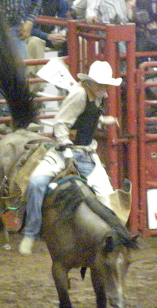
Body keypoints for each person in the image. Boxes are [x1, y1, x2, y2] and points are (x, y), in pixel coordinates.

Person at [19, 60, 131, 255]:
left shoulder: (96, 96)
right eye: (101, 84)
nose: (104, 88)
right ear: (91, 82)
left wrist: (104, 120)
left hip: (87, 153)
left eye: (105, 84)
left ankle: (110, 238)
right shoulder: (79, 95)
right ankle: (31, 232)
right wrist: (67, 149)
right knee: (36, 183)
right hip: (65, 152)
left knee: (108, 198)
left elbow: (86, 118)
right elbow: (61, 124)